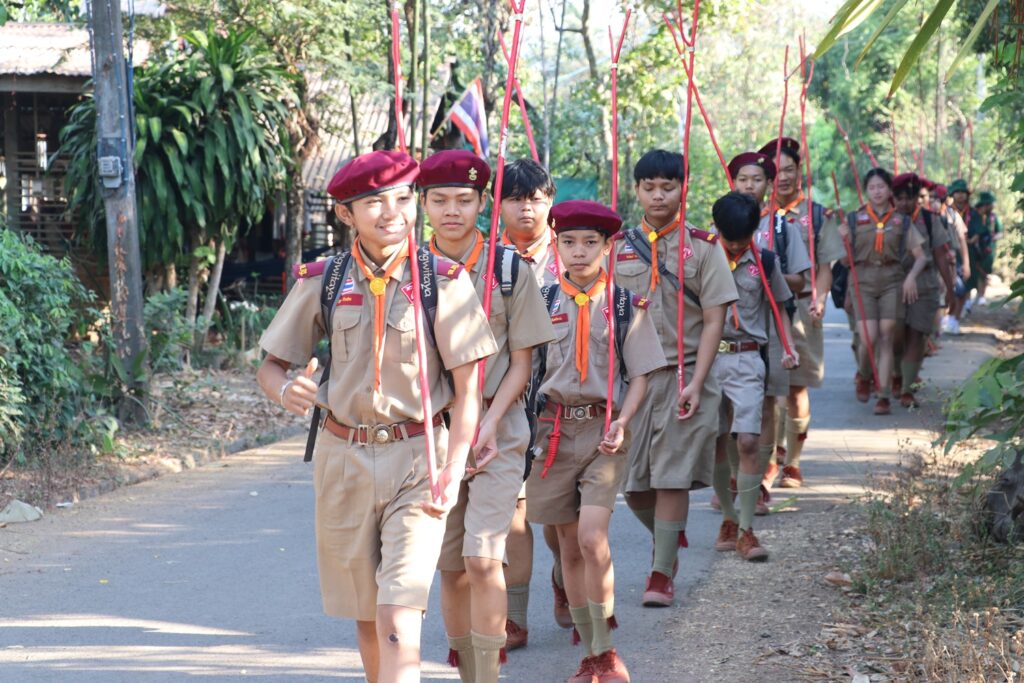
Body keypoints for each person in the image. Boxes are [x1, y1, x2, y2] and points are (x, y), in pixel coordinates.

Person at [256, 150, 498, 683]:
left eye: (403, 199)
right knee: (366, 617)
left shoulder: (442, 280)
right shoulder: (323, 280)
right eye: (373, 203)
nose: (392, 213)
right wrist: (287, 390)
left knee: (397, 613)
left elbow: (469, 391)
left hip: (419, 458)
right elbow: (270, 367)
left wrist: (454, 467)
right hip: (342, 458)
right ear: (346, 214)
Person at [419, 150, 556, 683]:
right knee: (451, 566)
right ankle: (467, 666)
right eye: (439, 200)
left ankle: (488, 674)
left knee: (483, 557)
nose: (452, 211)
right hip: (434, 433)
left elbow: (523, 362)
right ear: (423, 205)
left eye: (464, 199)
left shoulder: (509, 269)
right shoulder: (410, 269)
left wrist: (492, 422)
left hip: (500, 423)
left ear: (483, 203)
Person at [525, 199, 666, 683]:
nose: (579, 251)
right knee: (567, 547)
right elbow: (527, 369)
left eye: (590, 243)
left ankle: (606, 651)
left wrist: (623, 420)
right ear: (556, 246)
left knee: (591, 537)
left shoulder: (625, 306)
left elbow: (642, 374)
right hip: (552, 431)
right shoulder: (541, 303)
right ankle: (590, 652)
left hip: (605, 430)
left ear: (608, 247)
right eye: (569, 242)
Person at [614, 149, 737, 606]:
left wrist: (698, 381)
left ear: (683, 188)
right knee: (633, 485)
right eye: (649, 187)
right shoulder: (615, 247)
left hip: (684, 375)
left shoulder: (703, 247)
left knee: (671, 477)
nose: (659, 196)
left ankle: (661, 573)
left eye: (668, 187)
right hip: (634, 382)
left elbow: (714, 319)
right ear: (637, 190)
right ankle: (667, 539)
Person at [496, 158, 568, 647]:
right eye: (516, 198)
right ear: (498, 204)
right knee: (514, 511)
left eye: (536, 198)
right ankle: (515, 618)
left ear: (550, 202)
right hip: (509, 400)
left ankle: (565, 576)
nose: (527, 208)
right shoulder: (486, 261)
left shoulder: (574, 253)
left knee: (559, 519)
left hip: (562, 401)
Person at [710, 191, 797, 562]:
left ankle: (746, 530)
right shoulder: (702, 256)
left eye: (742, 239)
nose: (734, 245)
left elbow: (780, 306)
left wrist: (788, 347)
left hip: (747, 357)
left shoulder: (765, 261)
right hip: (708, 359)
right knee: (716, 440)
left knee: (747, 440)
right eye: (729, 238)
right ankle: (728, 519)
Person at [754, 140, 845, 490]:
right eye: (776, 171)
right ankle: (768, 460)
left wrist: (819, 300)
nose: (783, 177)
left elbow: (824, 267)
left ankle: (792, 461)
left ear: (799, 171)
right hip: (762, 310)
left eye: (789, 169)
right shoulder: (754, 214)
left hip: (801, 308)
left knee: (794, 388)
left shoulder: (817, 215)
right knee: (767, 390)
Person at [838, 168, 927, 415]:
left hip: (891, 280)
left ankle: (883, 395)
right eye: (872, 187)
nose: (877, 192)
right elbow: (845, 261)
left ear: (889, 190)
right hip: (863, 280)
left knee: (887, 336)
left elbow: (921, 256)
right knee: (869, 337)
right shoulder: (854, 219)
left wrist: (911, 278)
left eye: (881, 187)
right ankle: (864, 374)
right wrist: (844, 240)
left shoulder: (901, 221)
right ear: (866, 191)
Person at [891, 173, 954, 408]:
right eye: (899, 198)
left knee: (917, 335)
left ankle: (907, 389)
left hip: (924, 286)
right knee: (896, 335)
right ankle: (896, 375)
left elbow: (940, 256)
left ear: (917, 198)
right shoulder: (888, 220)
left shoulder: (929, 220)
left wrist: (949, 289)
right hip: (894, 285)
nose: (904, 203)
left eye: (909, 198)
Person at [969, 191, 1000, 307]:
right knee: (974, 270)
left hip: (988, 249)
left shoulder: (993, 218)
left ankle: (982, 295)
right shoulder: (974, 216)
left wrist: (993, 237)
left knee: (985, 272)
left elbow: (1000, 232)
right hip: (975, 248)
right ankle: (975, 294)